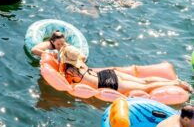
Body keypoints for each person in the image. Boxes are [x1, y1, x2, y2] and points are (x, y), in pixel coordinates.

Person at [59, 45, 192, 96]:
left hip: (108, 83)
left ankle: (176, 84)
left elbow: (63, 78)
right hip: (108, 74)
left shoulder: (70, 71)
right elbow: (80, 56)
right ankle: (175, 81)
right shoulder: (80, 62)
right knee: (143, 81)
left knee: (145, 87)